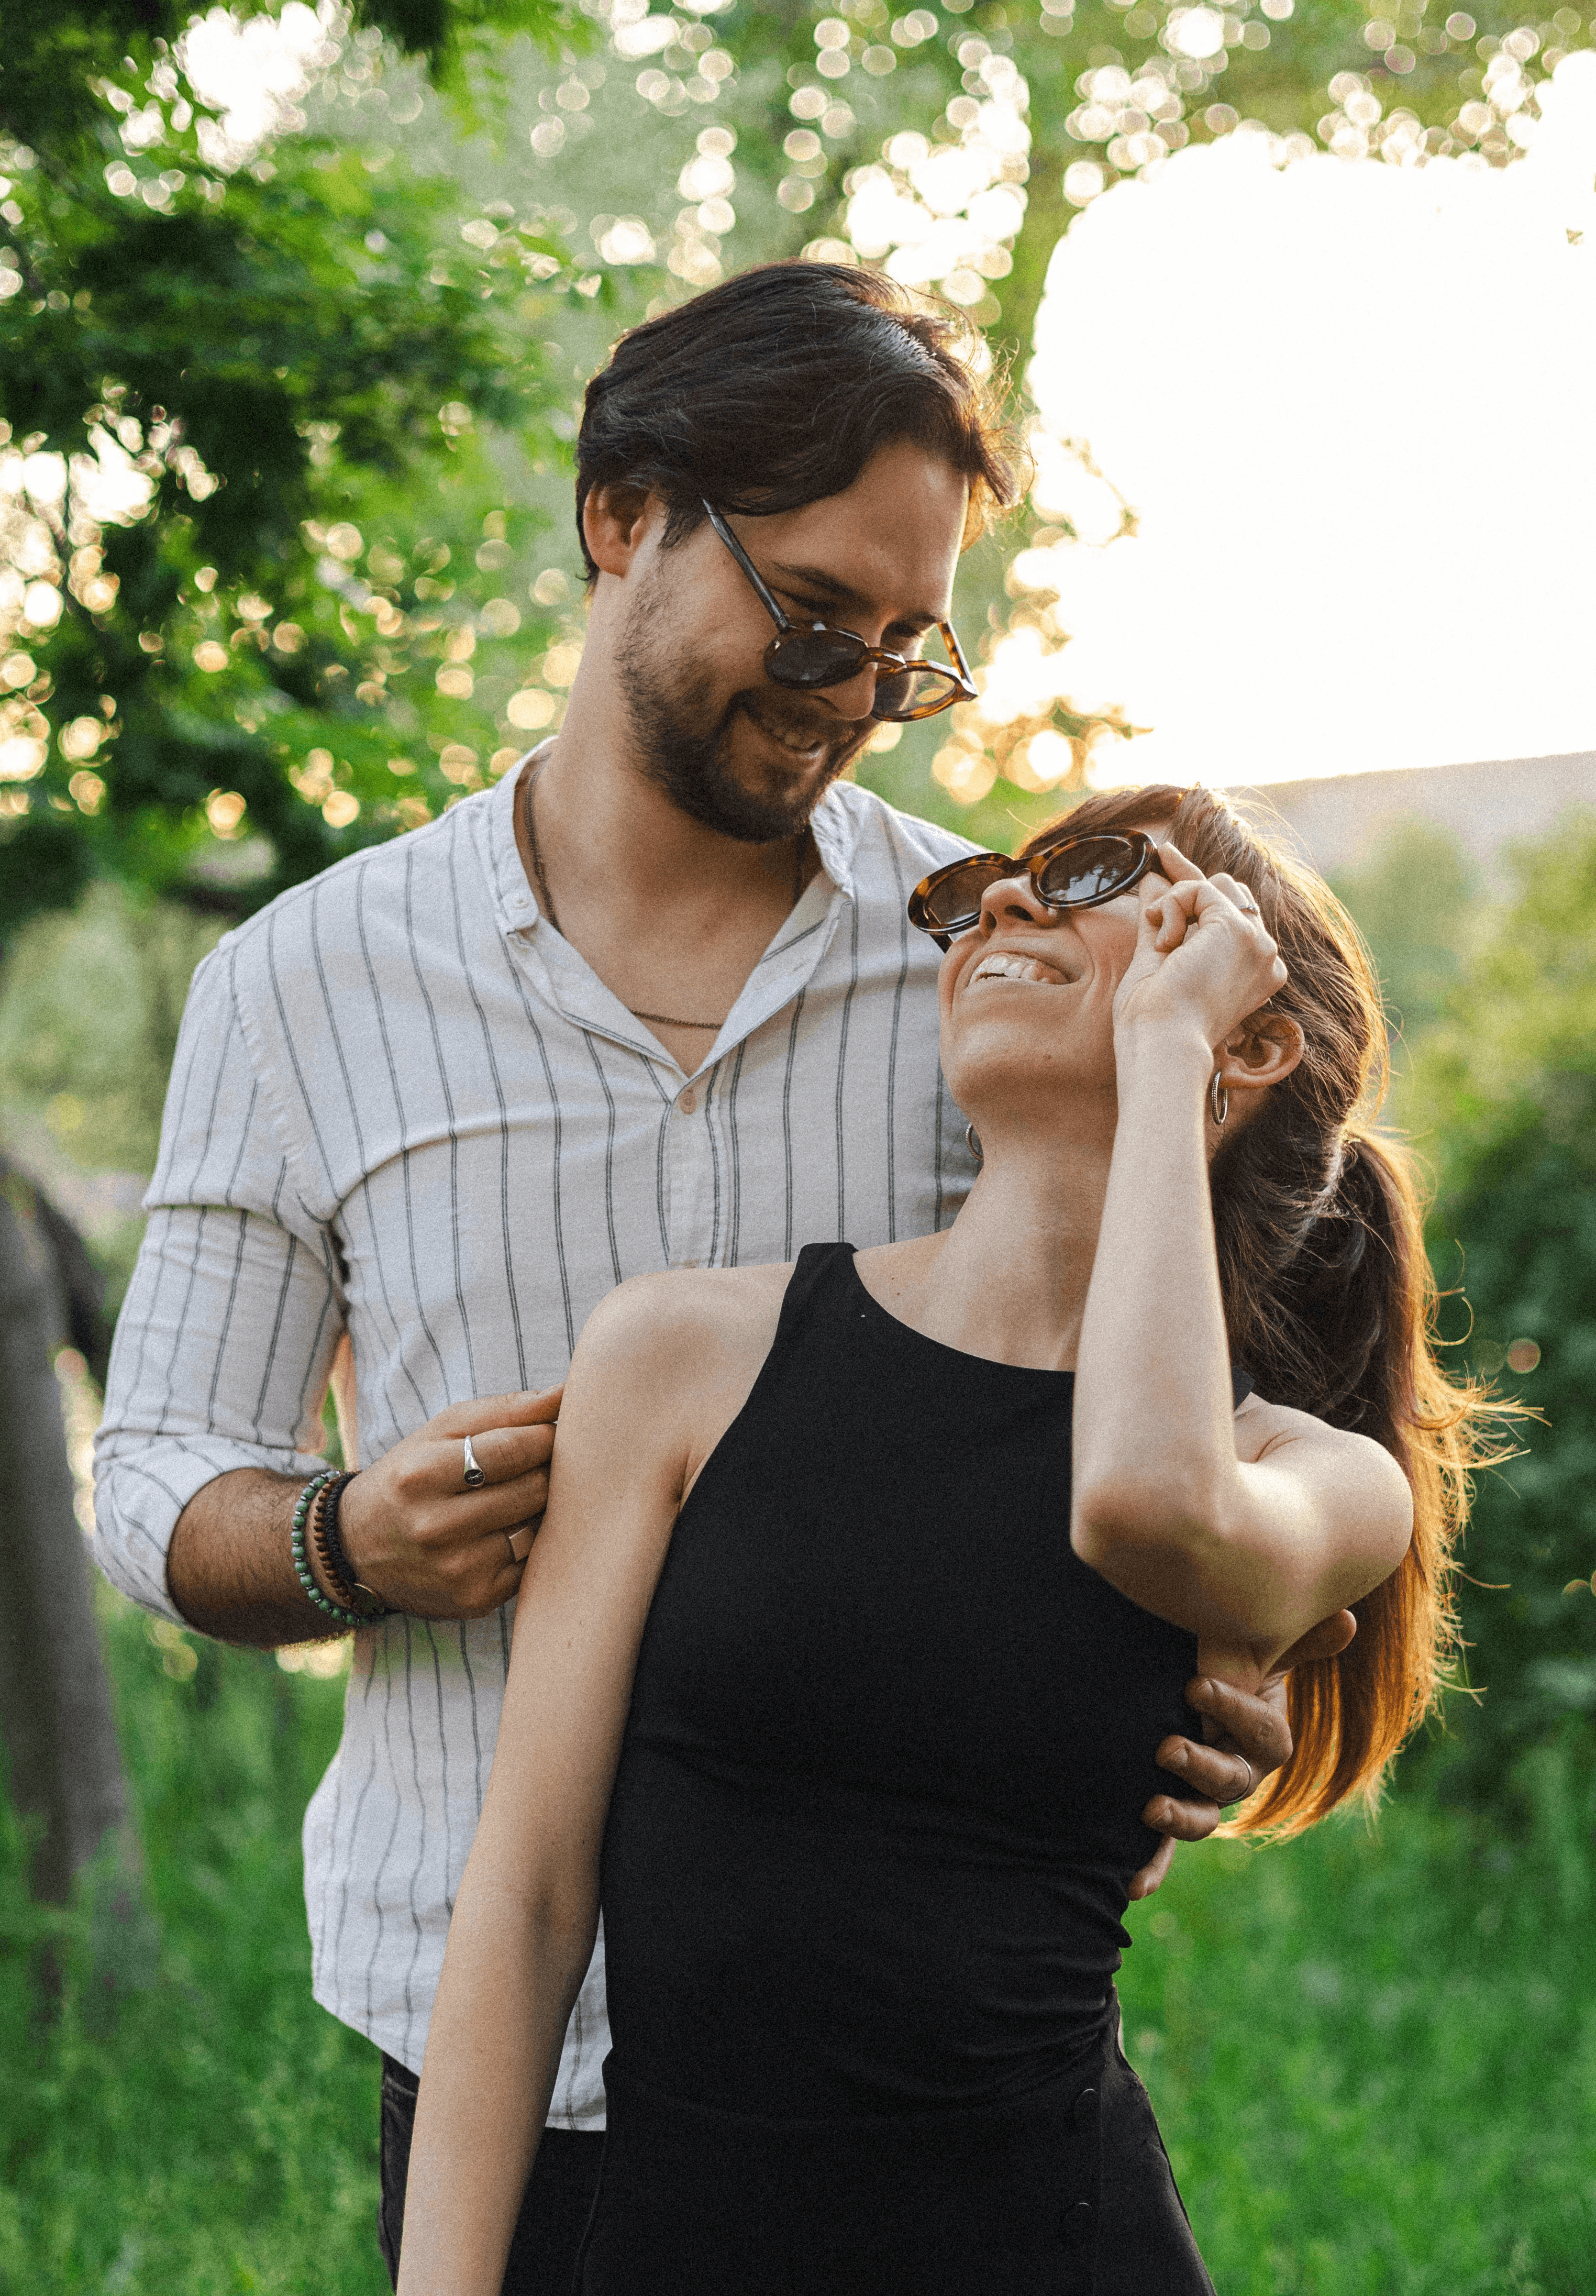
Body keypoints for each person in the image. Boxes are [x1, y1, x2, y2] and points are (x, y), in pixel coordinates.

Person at [93, 267, 1320, 2295]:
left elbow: (1148, 1402)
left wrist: (1226, 1655)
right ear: (622, 516)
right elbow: (149, 1473)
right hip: (483, 2041)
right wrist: (340, 1538)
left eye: (902, 653)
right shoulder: (298, 988)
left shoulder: (973, 968)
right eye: (814, 613)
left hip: (900, 2083)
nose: (847, 689)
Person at [397, 785, 1490, 2295]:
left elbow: (1138, 1504)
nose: (1003, 909)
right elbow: (522, 1900)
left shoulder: (1304, 1473)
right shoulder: (684, 1356)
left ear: (1245, 1032)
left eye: (1094, 876)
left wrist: (1163, 1062)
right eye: (982, 891)